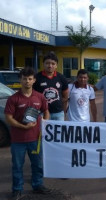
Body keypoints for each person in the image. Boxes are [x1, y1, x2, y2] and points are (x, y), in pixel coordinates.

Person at [4, 67, 52, 199]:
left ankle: (38, 185)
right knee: (17, 166)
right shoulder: (13, 99)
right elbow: (9, 118)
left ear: (34, 80)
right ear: (20, 80)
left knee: (37, 164)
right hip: (18, 140)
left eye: (30, 79)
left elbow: (46, 111)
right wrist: (22, 127)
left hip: (35, 139)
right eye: (24, 79)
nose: (27, 81)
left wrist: (45, 122)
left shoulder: (39, 97)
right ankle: (17, 189)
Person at [33, 51, 69, 120]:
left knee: (58, 131)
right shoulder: (37, 78)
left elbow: (65, 97)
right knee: (42, 131)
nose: (50, 66)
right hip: (42, 113)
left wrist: (63, 111)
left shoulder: (62, 78)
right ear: (43, 64)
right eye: (47, 63)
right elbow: (33, 96)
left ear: (56, 65)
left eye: (53, 64)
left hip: (58, 113)